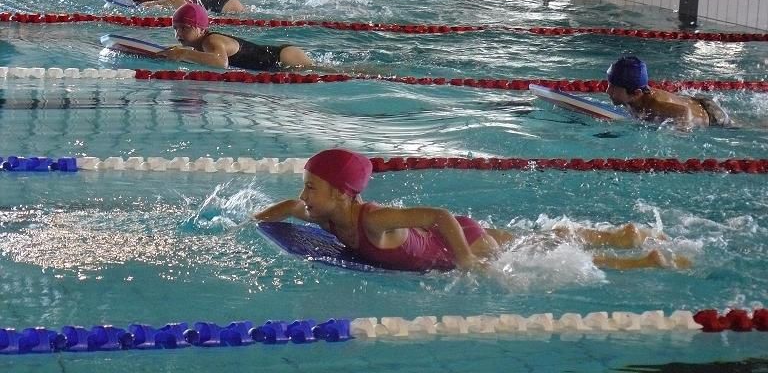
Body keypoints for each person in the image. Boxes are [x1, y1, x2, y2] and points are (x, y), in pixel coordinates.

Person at [251, 148, 689, 272]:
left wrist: (465, 261)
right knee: (540, 241)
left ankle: (645, 259)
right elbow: (289, 208)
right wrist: (256, 220)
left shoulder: (374, 220)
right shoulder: (326, 214)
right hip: (452, 236)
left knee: (546, 258)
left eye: (312, 186)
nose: (303, 194)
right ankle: (626, 233)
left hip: (457, 240)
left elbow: (439, 215)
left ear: (345, 193)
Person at [158, 2, 313, 70]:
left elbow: (220, 63)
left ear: (201, 29)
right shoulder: (202, 45)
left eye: (184, 28)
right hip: (277, 62)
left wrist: (183, 53)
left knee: (329, 72)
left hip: (284, 58)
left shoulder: (211, 40)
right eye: (175, 28)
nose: (178, 33)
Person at [605, 56, 732, 128]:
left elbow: (684, 111)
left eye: (614, 88)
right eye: (609, 85)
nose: (607, 91)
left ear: (637, 93)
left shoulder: (655, 105)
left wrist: (679, 132)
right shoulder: (632, 98)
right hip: (693, 102)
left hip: (713, 116)